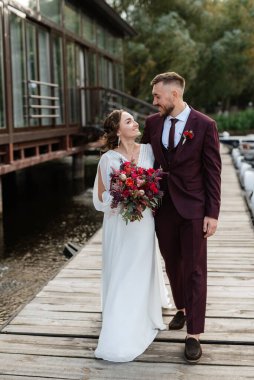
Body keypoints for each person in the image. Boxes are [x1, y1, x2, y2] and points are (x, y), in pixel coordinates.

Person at [141, 72, 221, 363]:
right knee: (172, 262)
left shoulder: (204, 125)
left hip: (194, 209)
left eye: (157, 96)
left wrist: (212, 213)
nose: (154, 102)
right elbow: (142, 159)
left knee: (195, 269)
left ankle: (194, 334)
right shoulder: (152, 124)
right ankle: (182, 307)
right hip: (163, 207)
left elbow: (213, 172)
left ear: (174, 95)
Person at [93, 109, 171, 362]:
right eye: (129, 121)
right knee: (122, 268)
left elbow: (159, 184)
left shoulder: (149, 151)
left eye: (134, 120)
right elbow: (100, 197)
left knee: (141, 266)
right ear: (117, 130)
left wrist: (143, 194)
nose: (135, 123)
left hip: (144, 222)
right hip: (120, 224)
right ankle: (120, 319)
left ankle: (144, 311)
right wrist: (124, 197)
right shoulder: (108, 159)